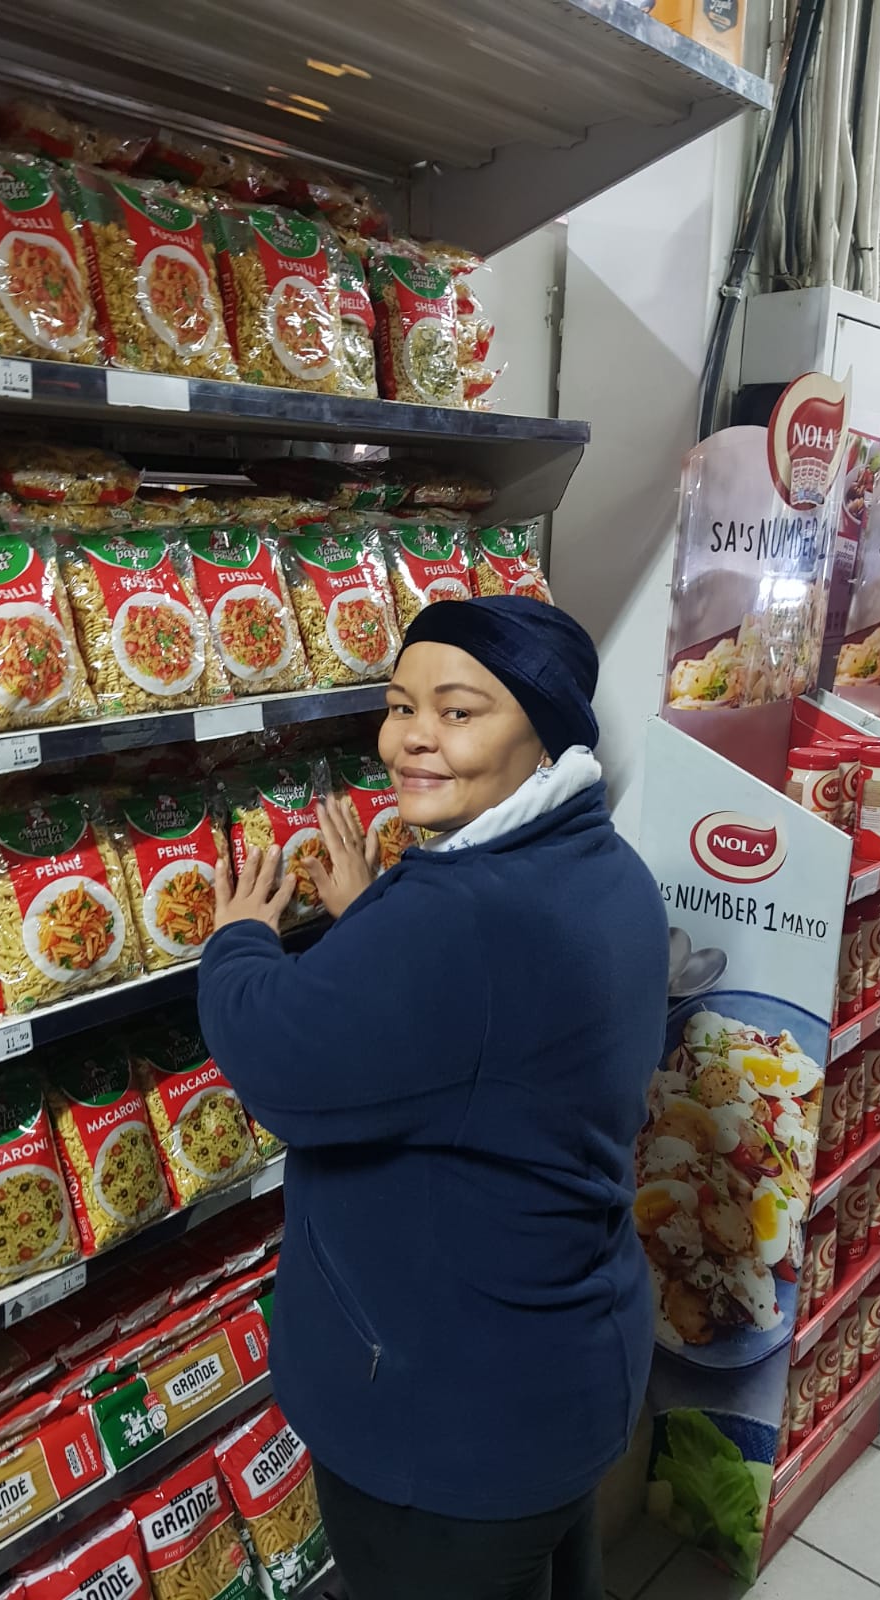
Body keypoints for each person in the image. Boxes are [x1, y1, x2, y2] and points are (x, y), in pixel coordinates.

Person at [198, 596, 668, 1600]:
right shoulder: (601, 863)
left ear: (546, 732)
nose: (412, 737)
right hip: (568, 1371)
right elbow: (486, 1040)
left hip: (451, 1427)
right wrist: (375, 917)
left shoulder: (460, 918)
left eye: (458, 712)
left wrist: (238, 939)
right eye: (399, 705)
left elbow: (275, 1055)